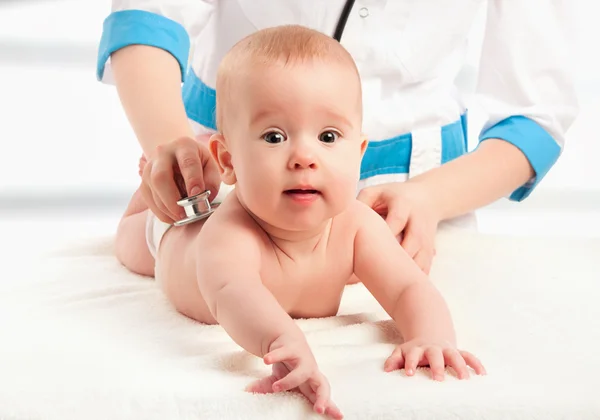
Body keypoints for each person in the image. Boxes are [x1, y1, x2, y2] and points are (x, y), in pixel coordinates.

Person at [115, 25, 486, 419]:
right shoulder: (228, 236)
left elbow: (409, 286)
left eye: (328, 136)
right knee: (131, 243)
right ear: (227, 160)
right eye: (274, 137)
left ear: (358, 152)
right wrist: (286, 343)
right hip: (177, 236)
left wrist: (431, 336)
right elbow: (234, 294)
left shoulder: (356, 226)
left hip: (242, 196)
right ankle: (143, 200)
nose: (304, 157)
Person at [97, 1, 579, 274]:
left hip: (409, 207)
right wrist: (170, 148)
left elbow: (535, 118)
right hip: (227, 184)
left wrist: (428, 200)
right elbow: (147, 17)